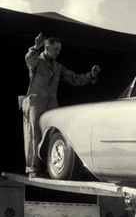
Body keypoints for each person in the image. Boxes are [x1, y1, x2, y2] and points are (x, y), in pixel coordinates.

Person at [20, 32, 101, 177]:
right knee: (34, 135)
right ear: (46, 47)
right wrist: (35, 47)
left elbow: (75, 79)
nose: (58, 52)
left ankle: (49, 168)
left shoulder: (58, 67)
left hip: (51, 104)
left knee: (51, 136)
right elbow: (28, 59)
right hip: (36, 103)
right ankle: (33, 169)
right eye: (55, 49)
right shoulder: (37, 61)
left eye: (59, 50)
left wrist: (91, 75)